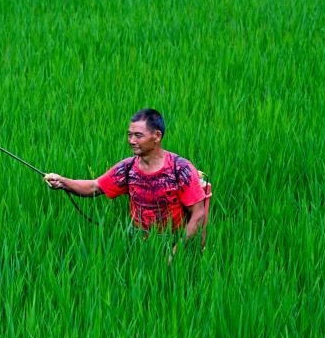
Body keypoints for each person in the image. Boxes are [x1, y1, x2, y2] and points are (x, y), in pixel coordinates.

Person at [43, 109, 207, 263]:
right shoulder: (127, 168)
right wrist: (63, 182)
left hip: (174, 240)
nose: (131, 141)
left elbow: (198, 215)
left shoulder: (181, 169)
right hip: (138, 241)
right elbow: (94, 187)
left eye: (138, 135)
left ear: (157, 136)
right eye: (129, 135)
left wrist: (174, 253)